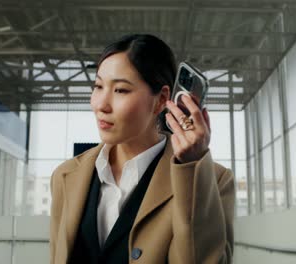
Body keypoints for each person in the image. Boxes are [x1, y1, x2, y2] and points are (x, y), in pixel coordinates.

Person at [49, 34, 235, 264]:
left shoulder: (213, 181)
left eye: (121, 90)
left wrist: (191, 166)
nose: (101, 105)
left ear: (161, 99)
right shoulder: (66, 176)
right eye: (98, 86)